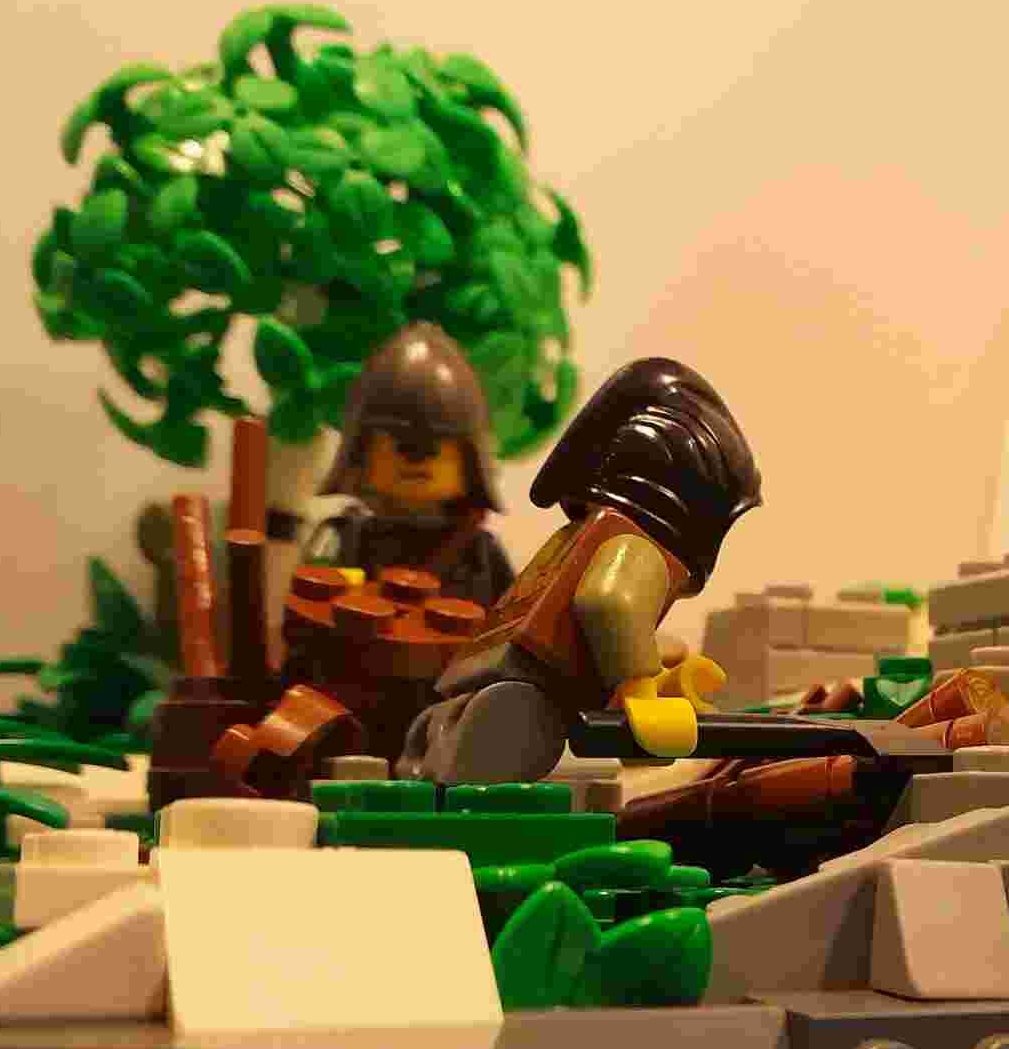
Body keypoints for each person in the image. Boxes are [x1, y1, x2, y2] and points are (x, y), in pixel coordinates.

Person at [398, 357, 762, 785]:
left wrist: (658, 660)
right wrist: (641, 690)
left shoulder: (577, 539)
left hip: (483, 688)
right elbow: (608, 603)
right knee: (488, 771)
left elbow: (595, 626)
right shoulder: (638, 547)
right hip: (522, 704)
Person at [304, 325, 515, 608]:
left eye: (433, 446)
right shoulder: (345, 539)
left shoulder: (481, 556)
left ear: (470, 459)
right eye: (401, 444)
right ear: (361, 452)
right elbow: (308, 611)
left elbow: (513, 624)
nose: (416, 458)